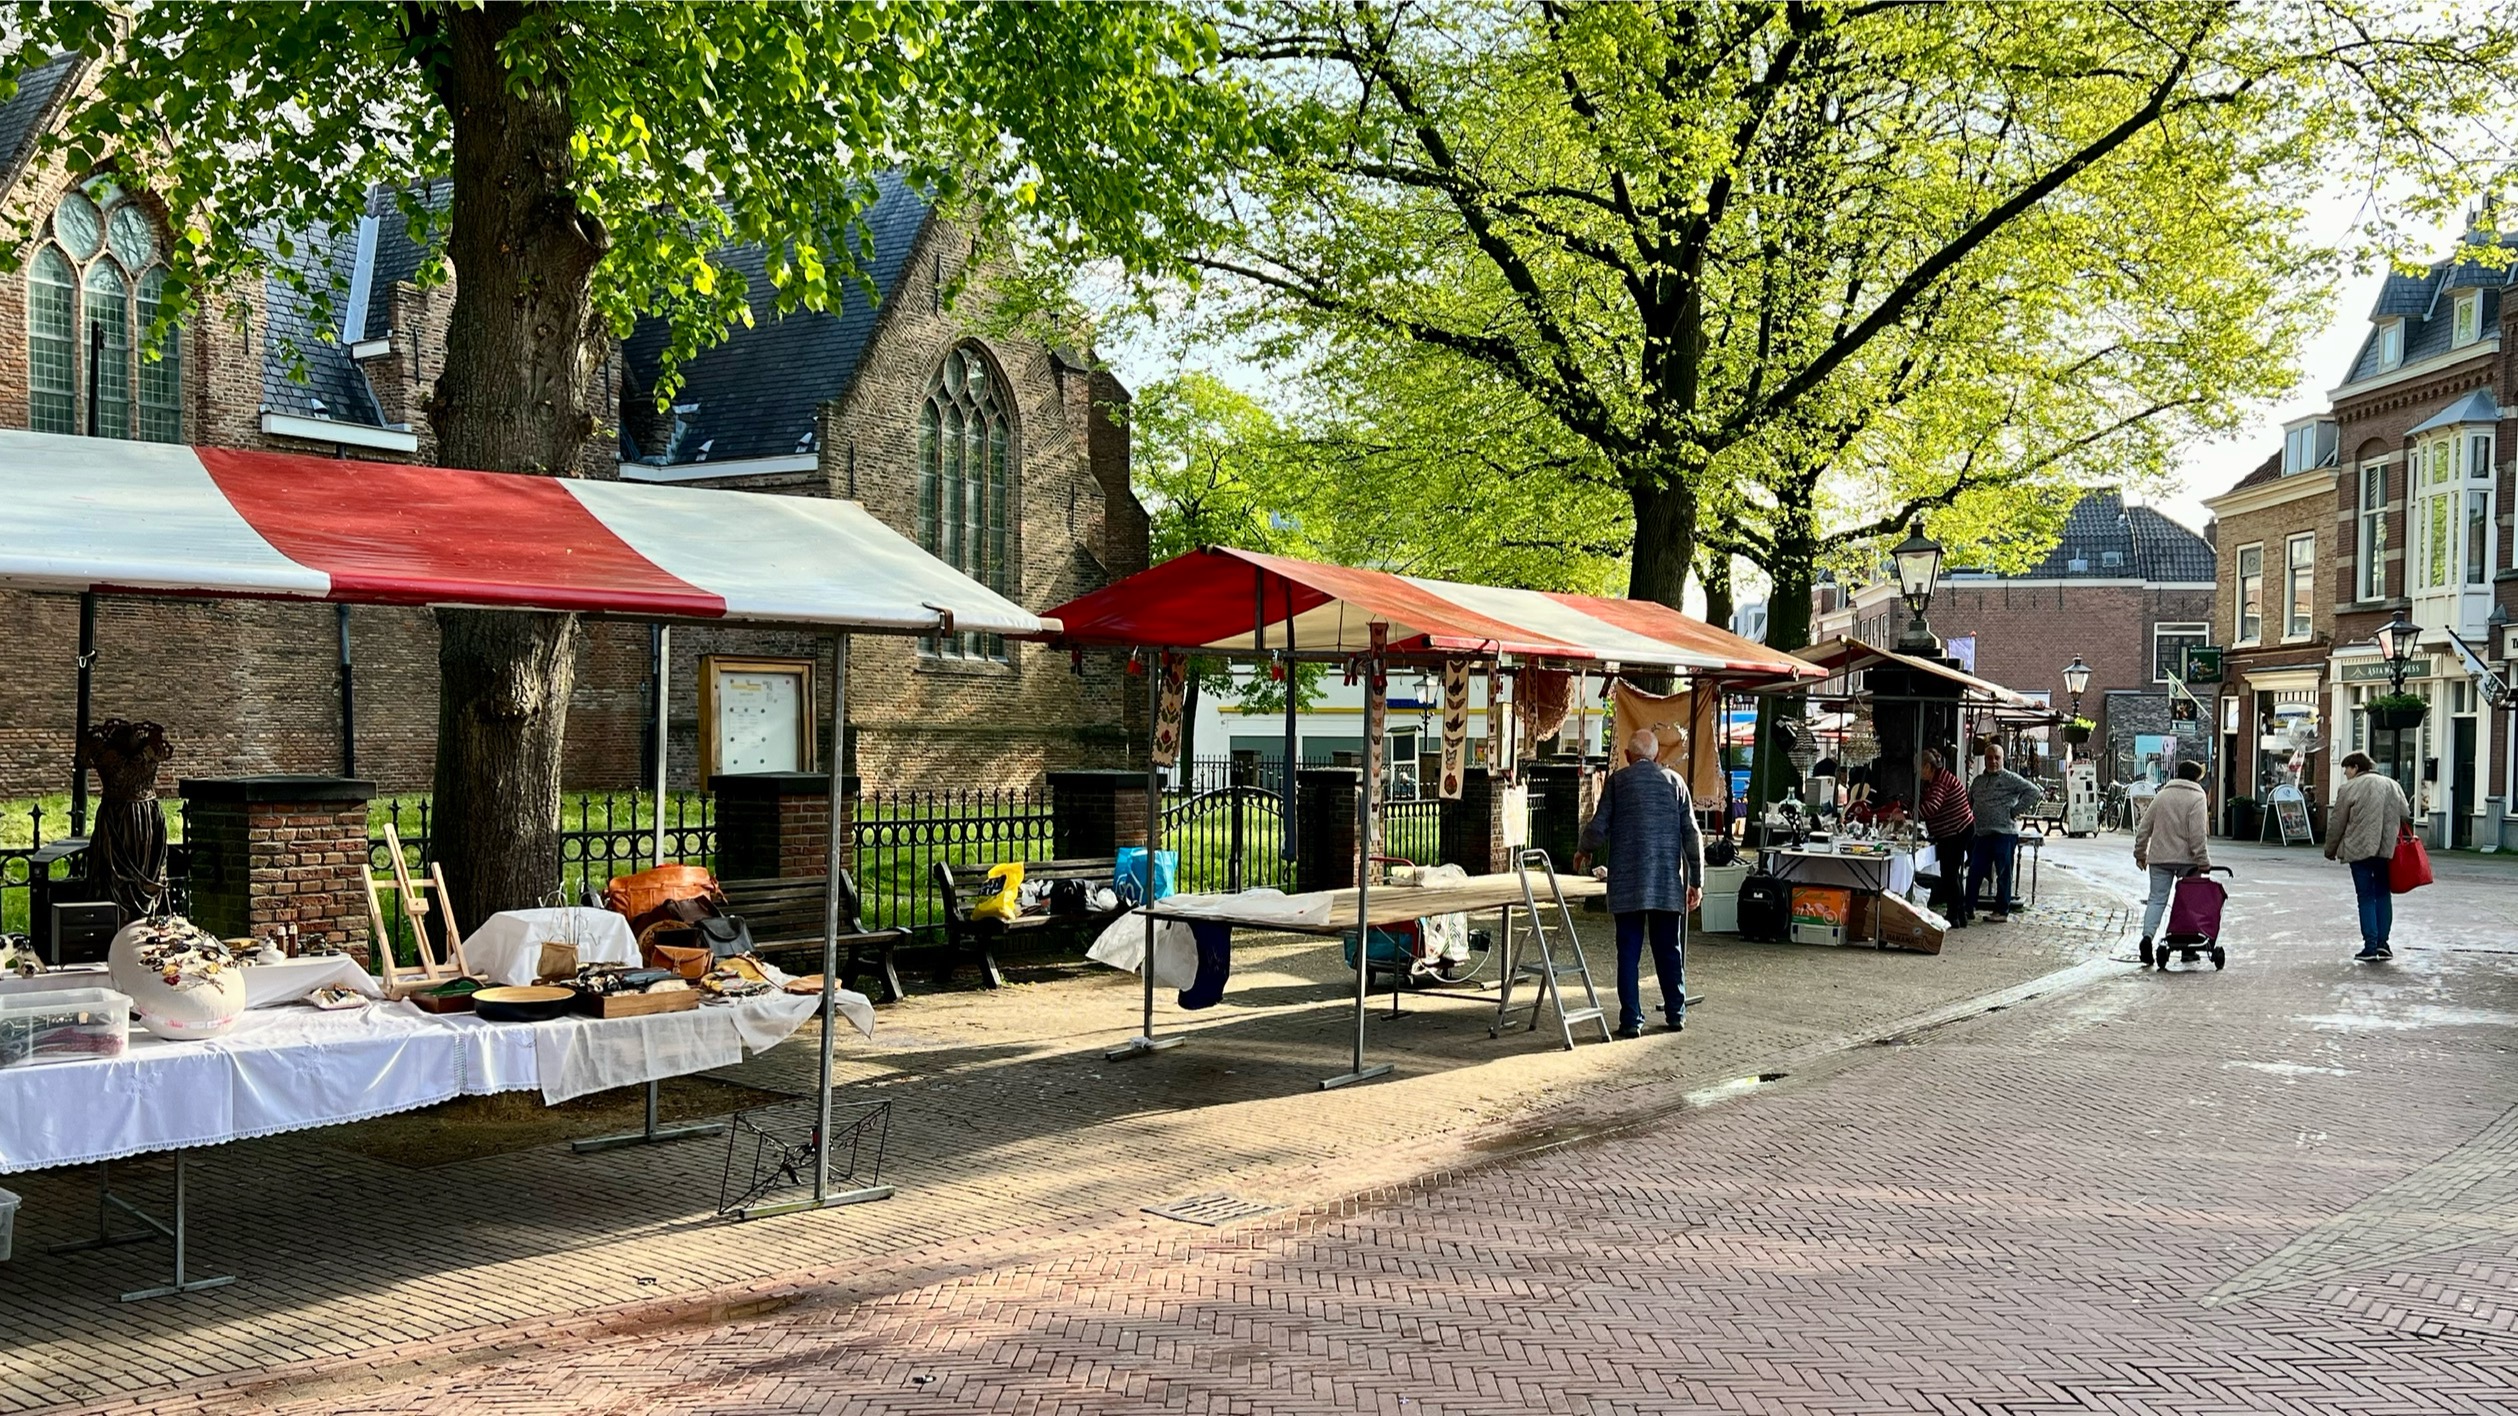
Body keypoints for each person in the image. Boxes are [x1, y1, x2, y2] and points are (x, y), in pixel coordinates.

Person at [1576, 729, 1704, 1039]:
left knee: (1628, 953)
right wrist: (1697, 881)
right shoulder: (1676, 784)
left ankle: (1631, 1019)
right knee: (1669, 950)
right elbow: (1692, 834)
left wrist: (1583, 850)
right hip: (1665, 883)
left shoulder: (1618, 782)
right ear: (1657, 756)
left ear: (1629, 756)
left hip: (1628, 883)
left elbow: (1599, 826)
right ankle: (1676, 1012)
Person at [2325, 750, 2412, 961]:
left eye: (2346, 768)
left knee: (2365, 896)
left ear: (2355, 767)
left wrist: (2330, 849)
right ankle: (2383, 944)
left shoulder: (2348, 788)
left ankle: (2370, 947)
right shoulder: (2392, 785)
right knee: (2383, 893)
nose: (2345, 772)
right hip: (2385, 849)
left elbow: (2337, 822)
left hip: (2359, 849)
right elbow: (2406, 813)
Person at [2133, 759, 2211, 965]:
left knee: (2157, 899)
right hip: (2188, 861)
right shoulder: (2197, 797)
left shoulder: (2162, 795)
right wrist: (2203, 861)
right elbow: (2197, 834)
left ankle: (2147, 937)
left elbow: (2144, 828)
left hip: (2160, 857)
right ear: (2196, 777)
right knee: (2187, 903)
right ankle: (2186, 948)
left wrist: (2140, 853)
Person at [1966, 743, 2045, 923]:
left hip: (2004, 833)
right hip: (1982, 833)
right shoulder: (1978, 781)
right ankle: (1967, 908)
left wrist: (2014, 811)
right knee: (1975, 871)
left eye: (1997, 757)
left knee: (2003, 873)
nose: (1993, 761)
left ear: (2003, 759)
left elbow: (2034, 791)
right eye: (1989, 758)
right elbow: (1970, 800)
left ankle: (2001, 910)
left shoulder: (2010, 778)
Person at [1917, 748, 1976, 925]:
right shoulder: (1934, 780)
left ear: (1928, 766)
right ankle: (1960, 914)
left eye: (1918, 768)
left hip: (1957, 831)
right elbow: (1924, 801)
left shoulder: (1940, 781)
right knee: (1952, 873)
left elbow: (1931, 806)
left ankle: (1954, 915)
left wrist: (1910, 815)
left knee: (1949, 873)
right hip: (1953, 831)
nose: (1916, 772)